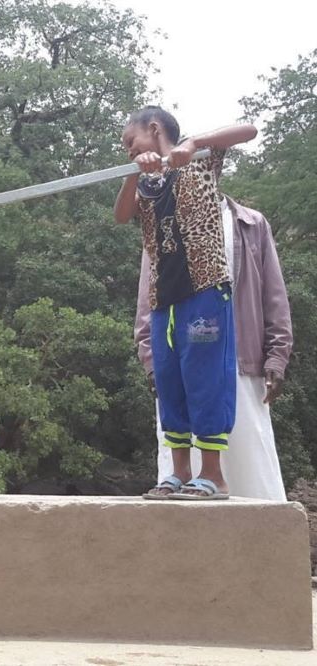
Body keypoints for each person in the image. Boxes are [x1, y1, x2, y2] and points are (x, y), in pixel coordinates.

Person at [114, 106, 257, 500]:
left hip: (205, 290)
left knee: (206, 379)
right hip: (164, 300)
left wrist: (195, 143)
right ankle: (178, 473)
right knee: (170, 384)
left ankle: (213, 476)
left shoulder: (199, 161)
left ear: (154, 129)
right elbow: (122, 216)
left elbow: (248, 130)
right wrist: (133, 172)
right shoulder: (145, 182)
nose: (128, 150)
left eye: (131, 141)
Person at [135, 194, 293, 500]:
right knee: (180, 464)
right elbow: (148, 301)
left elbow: (274, 295)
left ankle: (260, 544)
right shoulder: (161, 225)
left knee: (251, 464)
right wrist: (152, 361)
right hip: (181, 361)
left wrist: (277, 357)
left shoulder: (251, 224)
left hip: (240, 361)